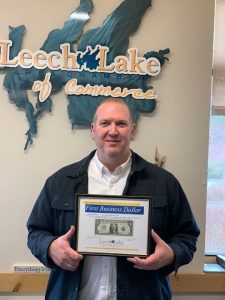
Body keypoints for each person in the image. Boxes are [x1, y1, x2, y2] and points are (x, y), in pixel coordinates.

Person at [27, 97, 200, 300]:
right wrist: (50, 247)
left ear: (133, 130)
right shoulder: (60, 181)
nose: (113, 131)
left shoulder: (164, 183)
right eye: (105, 123)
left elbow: (187, 237)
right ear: (93, 130)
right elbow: (36, 232)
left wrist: (171, 254)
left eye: (121, 123)